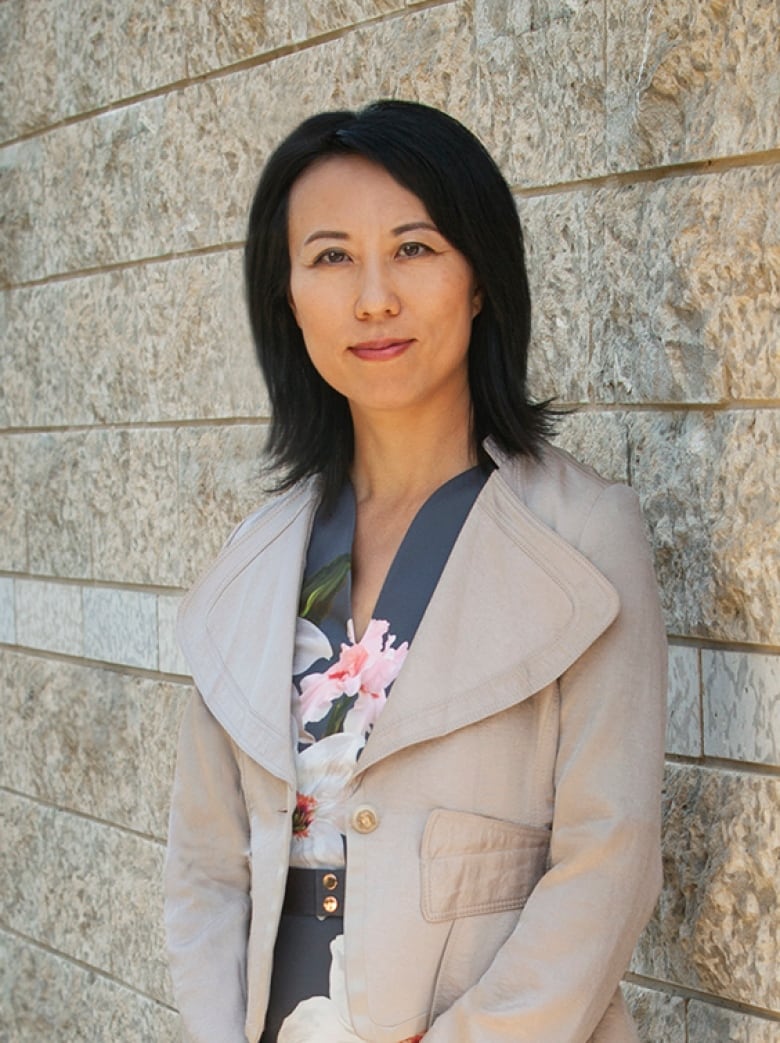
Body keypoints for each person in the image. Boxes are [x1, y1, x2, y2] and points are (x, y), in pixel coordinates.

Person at [164, 100, 667, 1043]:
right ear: (288, 298)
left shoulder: (582, 535)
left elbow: (612, 854)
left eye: (415, 248)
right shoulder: (256, 559)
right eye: (330, 257)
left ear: (481, 280)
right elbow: (202, 866)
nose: (374, 298)